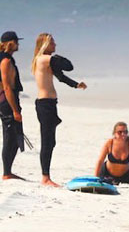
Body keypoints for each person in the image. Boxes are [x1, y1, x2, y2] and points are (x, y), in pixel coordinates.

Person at [31, 32, 87, 187]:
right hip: (45, 104)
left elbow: (61, 77)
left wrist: (76, 85)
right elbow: (69, 66)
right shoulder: (45, 59)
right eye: (52, 42)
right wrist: (57, 56)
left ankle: (46, 176)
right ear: (44, 44)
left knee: (51, 141)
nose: (55, 45)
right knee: (47, 141)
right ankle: (45, 178)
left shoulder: (43, 60)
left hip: (48, 104)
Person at [0, 31, 26, 180]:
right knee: (10, 137)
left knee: (16, 138)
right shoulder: (5, 61)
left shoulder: (5, 59)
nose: (18, 44)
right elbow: (6, 87)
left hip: (8, 100)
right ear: (10, 43)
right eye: (16, 42)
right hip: (7, 101)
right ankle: (6, 173)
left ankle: (8, 171)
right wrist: (15, 110)